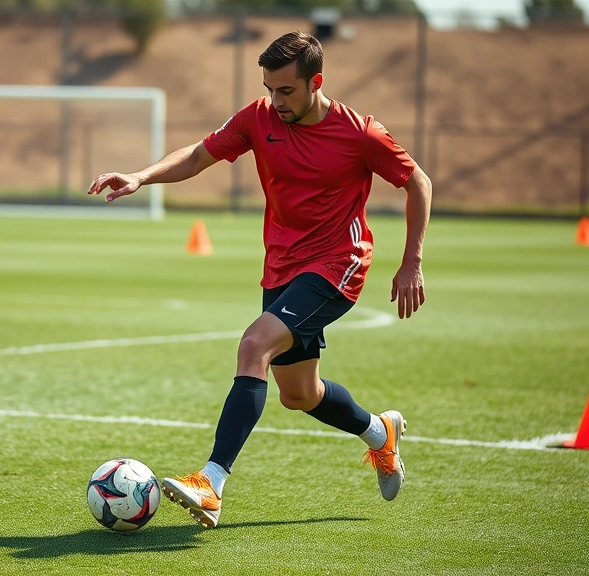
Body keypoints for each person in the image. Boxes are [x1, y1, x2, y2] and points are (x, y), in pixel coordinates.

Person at [87, 31, 432, 529]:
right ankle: (380, 433)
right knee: (300, 394)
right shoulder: (258, 118)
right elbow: (199, 155)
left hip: (339, 263)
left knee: (254, 346)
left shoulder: (361, 133)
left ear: (316, 83)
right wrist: (142, 176)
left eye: (286, 91)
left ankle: (212, 482)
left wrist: (410, 262)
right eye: (269, 88)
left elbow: (417, 181)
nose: (275, 100)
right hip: (283, 266)